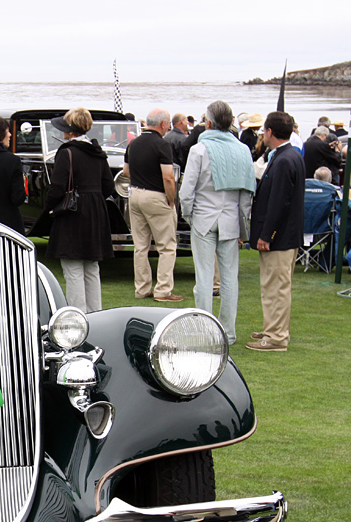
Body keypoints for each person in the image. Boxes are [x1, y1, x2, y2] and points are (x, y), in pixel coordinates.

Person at [179, 100, 255, 345]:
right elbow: (247, 194)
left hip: (203, 216)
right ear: (232, 122)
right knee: (230, 277)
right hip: (230, 218)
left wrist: (188, 215)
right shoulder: (243, 150)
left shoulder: (199, 150)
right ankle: (228, 332)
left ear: (208, 123)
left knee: (204, 277)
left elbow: (186, 191)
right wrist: (244, 225)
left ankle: (205, 330)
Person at [43, 108, 115, 312]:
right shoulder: (98, 152)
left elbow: (57, 187)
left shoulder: (66, 153)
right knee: (92, 267)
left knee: (73, 268)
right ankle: (96, 314)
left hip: (73, 211)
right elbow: (108, 185)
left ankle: (78, 315)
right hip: (95, 210)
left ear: (70, 130)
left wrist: (48, 208)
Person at [247, 111, 304, 352]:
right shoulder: (288, 156)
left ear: (270, 132)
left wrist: (266, 235)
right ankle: (273, 327)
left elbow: (279, 201)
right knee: (275, 286)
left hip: (279, 237)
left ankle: (276, 337)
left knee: (276, 287)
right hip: (285, 234)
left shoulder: (283, 160)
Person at [124, 108, 182, 302]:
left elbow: (126, 171)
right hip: (156, 195)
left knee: (140, 245)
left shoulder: (133, 143)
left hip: (135, 194)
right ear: (163, 124)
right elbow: (168, 177)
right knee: (167, 245)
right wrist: (171, 200)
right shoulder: (162, 145)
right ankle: (163, 290)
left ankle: (141, 289)